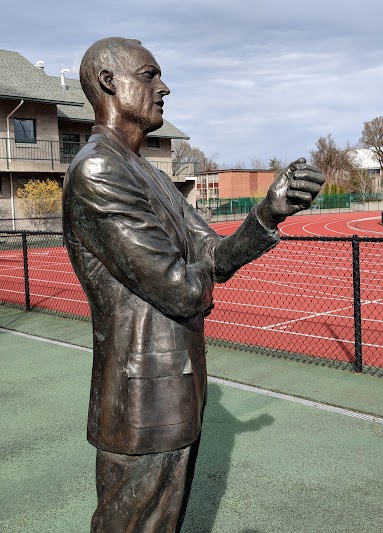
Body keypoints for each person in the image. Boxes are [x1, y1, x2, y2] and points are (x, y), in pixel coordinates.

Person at [62, 36, 325, 532]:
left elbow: (210, 255)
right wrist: (198, 280)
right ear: (108, 83)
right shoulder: (99, 168)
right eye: (149, 75)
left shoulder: (150, 174)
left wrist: (269, 212)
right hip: (141, 402)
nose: (164, 87)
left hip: (176, 394)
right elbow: (182, 288)